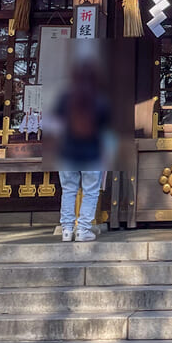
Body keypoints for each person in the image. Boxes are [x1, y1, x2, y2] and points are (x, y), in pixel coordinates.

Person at [48, 54, 111, 242]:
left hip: (67, 151)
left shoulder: (64, 98)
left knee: (68, 190)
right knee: (90, 190)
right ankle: (83, 229)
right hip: (91, 151)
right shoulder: (99, 99)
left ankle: (67, 230)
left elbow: (54, 126)